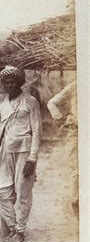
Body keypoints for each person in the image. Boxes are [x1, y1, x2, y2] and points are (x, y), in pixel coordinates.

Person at [0, 66, 42, 242]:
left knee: (23, 192)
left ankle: (20, 231)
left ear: (20, 82)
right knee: (2, 191)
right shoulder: (0, 101)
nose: (9, 84)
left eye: (13, 81)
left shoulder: (30, 101)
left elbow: (36, 131)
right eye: (6, 81)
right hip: (4, 151)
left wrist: (32, 159)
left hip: (24, 151)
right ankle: (12, 227)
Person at [47, 80, 78, 216]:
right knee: (77, 169)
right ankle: (76, 202)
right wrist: (60, 118)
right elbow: (52, 103)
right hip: (76, 132)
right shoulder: (75, 86)